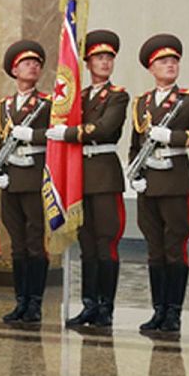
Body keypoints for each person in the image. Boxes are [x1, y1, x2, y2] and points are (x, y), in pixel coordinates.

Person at [123, 34, 189, 335]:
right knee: (154, 249)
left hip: (175, 182)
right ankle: (158, 310)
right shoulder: (141, 103)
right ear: (151, 68)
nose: (170, 65)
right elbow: (135, 143)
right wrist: (135, 174)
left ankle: (174, 312)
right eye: (164, 61)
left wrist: (175, 138)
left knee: (175, 248)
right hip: (149, 184)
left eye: (174, 61)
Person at [55, 29, 129, 329]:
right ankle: (88, 304)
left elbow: (105, 128)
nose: (105, 62)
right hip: (79, 175)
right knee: (86, 243)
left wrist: (70, 134)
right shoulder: (78, 98)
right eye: (99, 57)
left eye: (109, 57)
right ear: (86, 63)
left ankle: (105, 307)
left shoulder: (118, 95)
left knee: (106, 242)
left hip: (104, 173)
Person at [0, 39, 53, 326]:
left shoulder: (47, 103)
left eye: (37, 63)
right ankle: (20, 301)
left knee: (34, 242)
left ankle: (35, 302)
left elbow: (56, 136)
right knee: (17, 244)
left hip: (35, 177)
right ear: (14, 70)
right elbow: (1, 141)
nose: (33, 66)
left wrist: (33, 136)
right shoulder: (3, 106)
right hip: (11, 179)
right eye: (27, 63)